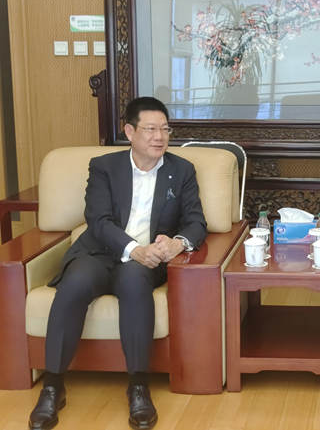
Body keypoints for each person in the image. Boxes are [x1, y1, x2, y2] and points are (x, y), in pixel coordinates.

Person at [28, 97, 208, 430]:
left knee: (134, 282)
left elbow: (196, 222)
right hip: (99, 252)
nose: (159, 137)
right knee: (74, 284)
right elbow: (97, 221)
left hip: (146, 261)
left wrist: (176, 243)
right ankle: (52, 387)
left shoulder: (181, 170)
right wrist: (133, 248)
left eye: (165, 129)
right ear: (129, 131)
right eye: (150, 129)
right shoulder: (104, 166)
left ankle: (139, 387)